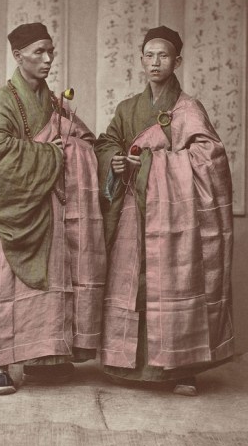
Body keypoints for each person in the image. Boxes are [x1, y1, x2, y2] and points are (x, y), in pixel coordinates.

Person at [94, 25, 234, 396]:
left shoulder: (187, 109)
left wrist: (154, 166)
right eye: (149, 55)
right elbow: (107, 143)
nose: (156, 62)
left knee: (173, 283)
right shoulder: (127, 109)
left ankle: (181, 367)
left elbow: (209, 157)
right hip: (131, 210)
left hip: (172, 214)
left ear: (177, 61)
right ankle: (127, 363)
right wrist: (116, 163)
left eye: (164, 56)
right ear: (141, 60)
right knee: (131, 282)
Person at [0, 22, 106, 395]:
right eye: (38, 52)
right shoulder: (2, 102)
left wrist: (75, 150)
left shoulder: (54, 103)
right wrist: (49, 154)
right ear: (18, 56)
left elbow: (85, 142)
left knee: (48, 290)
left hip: (53, 212)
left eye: (51, 52)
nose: (47, 59)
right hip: (16, 211)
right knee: (2, 281)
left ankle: (42, 362)